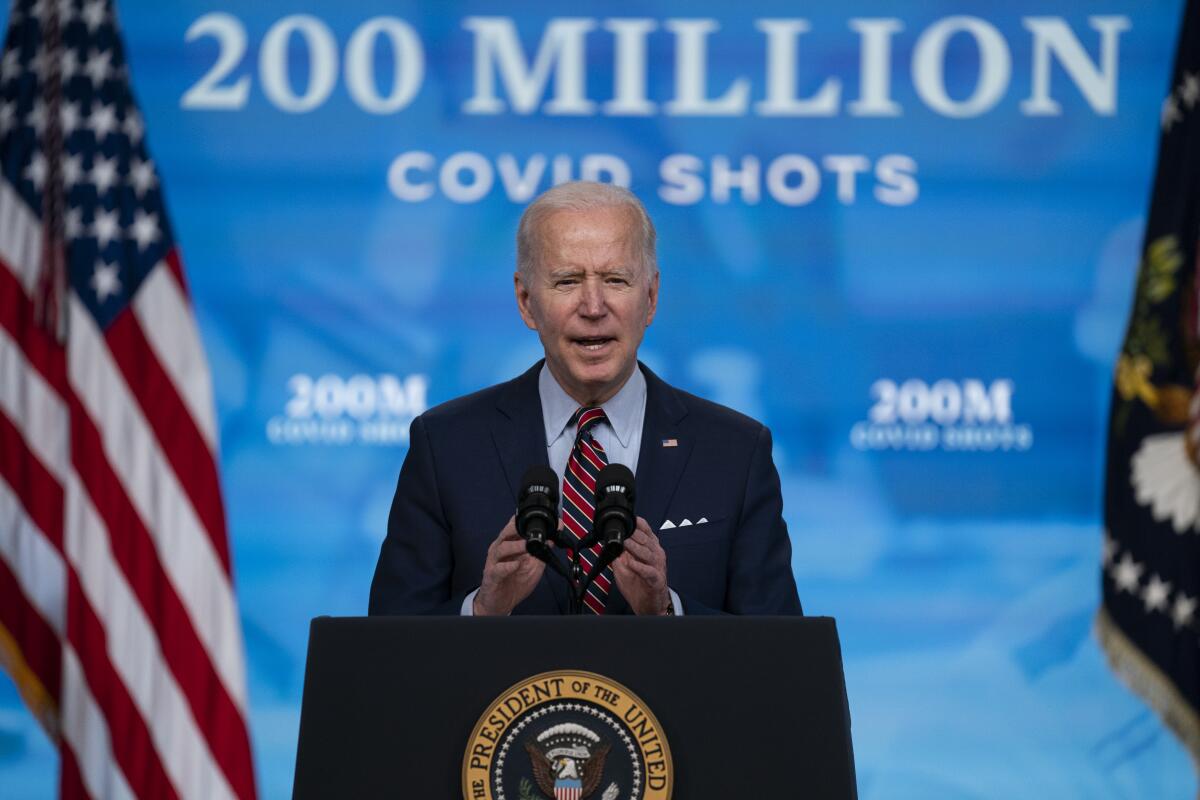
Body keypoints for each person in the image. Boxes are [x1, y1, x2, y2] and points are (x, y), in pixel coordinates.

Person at [368, 181, 801, 616]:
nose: (593, 306)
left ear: (650, 298)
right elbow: (383, 654)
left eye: (615, 279)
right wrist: (482, 611)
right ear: (525, 301)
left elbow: (781, 660)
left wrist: (666, 613)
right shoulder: (446, 444)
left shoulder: (734, 451)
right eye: (567, 280)